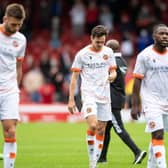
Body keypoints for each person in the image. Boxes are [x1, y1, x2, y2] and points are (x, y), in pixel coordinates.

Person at [68, 25, 117, 168]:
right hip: (89, 94)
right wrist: (71, 100)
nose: (100, 45)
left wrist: (112, 76)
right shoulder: (82, 55)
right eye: (97, 42)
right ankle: (92, 161)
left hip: (104, 96)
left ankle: (94, 163)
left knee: (102, 129)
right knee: (93, 125)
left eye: (102, 42)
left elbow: (113, 71)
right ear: (91, 38)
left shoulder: (108, 52)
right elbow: (74, 79)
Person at [98, 39, 147, 164]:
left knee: (119, 128)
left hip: (111, 100)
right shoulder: (123, 62)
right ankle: (102, 157)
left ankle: (137, 151)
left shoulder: (110, 61)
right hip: (119, 97)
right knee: (107, 130)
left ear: (109, 49)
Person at [131, 24, 168, 168]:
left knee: (157, 135)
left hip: (166, 100)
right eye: (161, 33)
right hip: (151, 101)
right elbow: (137, 80)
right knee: (158, 134)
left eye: (167, 34)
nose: (165, 36)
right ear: (154, 36)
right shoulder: (145, 56)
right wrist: (135, 104)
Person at [0, 3, 26, 168]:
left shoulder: (21, 39)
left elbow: (18, 67)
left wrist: (16, 90)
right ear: (5, 19)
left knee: (10, 130)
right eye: (13, 24)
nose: (16, 28)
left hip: (9, 90)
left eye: (19, 24)